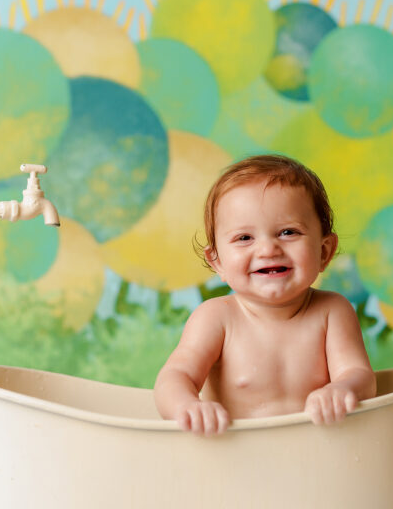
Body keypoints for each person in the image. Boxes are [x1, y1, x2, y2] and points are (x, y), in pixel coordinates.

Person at [154, 154, 376, 435]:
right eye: (245, 238)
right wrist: (187, 406)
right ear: (218, 262)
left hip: (316, 456)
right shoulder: (217, 317)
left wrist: (341, 389)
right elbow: (174, 377)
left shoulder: (332, 311)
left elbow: (360, 376)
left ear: (324, 251)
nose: (268, 249)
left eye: (288, 232)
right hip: (235, 459)